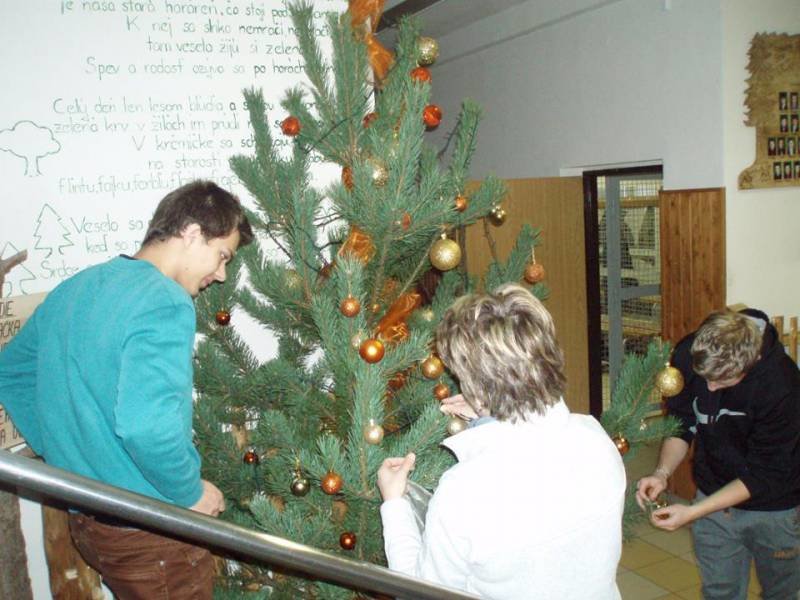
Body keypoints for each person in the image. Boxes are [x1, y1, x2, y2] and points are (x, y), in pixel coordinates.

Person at [0, 180, 253, 599]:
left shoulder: (77, 287)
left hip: (90, 523)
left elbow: (10, 371)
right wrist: (189, 493)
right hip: (150, 533)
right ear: (192, 233)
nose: (221, 275)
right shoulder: (165, 300)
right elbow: (147, 426)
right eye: (222, 255)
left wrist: (62, 448)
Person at [377, 283, 626, 599]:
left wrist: (394, 504)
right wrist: (490, 411)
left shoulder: (464, 491)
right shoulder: (594, 439)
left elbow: (421, 592)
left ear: (479, 390)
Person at [636, 308, 800, 600]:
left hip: (775, 509)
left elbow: (764, 474)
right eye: (705, 378)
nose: (710, 389)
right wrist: (661, 473)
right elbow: (682, 422)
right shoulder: (691, 355)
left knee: (782, 594)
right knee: (719, 593)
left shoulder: (782, 384)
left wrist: (694, 512)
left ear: (752, 362)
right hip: (713, 494)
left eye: (722, 381)